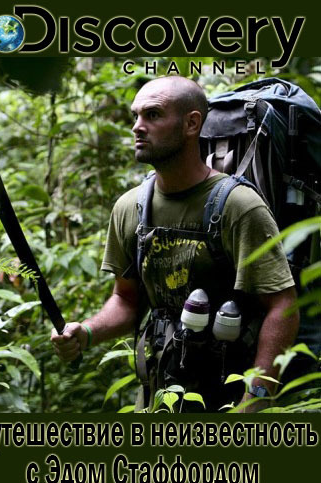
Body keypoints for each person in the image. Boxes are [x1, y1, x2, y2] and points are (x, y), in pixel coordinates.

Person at [51, 76, 299, 412]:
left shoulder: (237, 206)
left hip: (229, 399)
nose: (138, 127)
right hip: (158, 395)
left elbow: (282, 306)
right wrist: (87, 332)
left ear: (191, 123)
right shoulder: (131, 207)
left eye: (152, 115)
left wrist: (253, 401)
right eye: (135, 116)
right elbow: (125, 298)